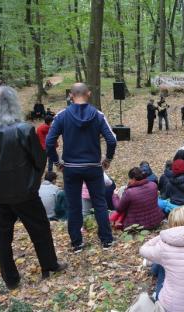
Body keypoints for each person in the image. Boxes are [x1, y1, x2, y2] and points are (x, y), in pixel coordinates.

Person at [0, 86, 66, 289]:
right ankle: (49, 265)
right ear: (13, 104)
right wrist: (32, 183)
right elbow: (39, 159)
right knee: (40, 230)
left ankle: (10, 279)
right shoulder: (24, 129)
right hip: (25, 193)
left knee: (3, 237)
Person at [46, 82, 116, 253]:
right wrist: (108, 159)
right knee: (99, 203)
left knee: (74, 205)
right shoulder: (98, 115)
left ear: (71, 95)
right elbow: (112, 139)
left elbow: (49, 142)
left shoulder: (62, 116)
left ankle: (77, 243)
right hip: (93, 167)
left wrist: (57, 163)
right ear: (89, 93)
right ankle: (106, 240)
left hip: (70, 168)